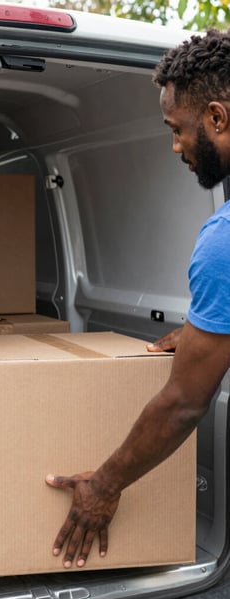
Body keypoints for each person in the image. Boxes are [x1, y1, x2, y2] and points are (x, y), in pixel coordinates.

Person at [46, 28, 230, 569]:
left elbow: (184, 402)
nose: (175, 148)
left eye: (177, 130)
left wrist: (105, 485)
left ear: (217, 119)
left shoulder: (223, 240)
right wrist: (209, 330)